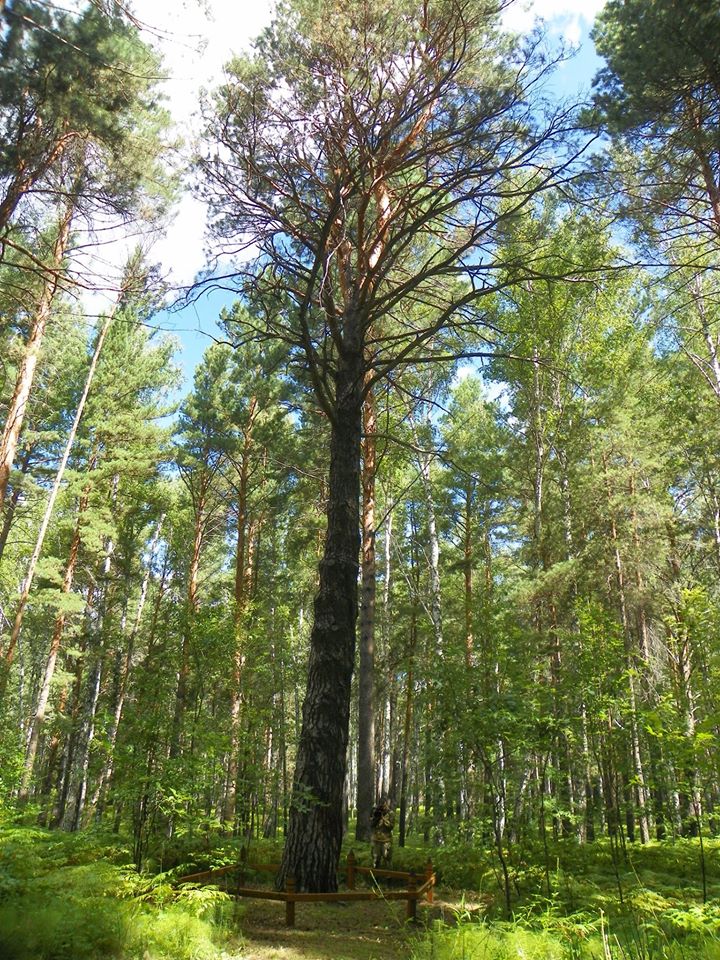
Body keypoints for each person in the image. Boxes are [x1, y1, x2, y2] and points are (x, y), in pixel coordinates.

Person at [370, 798, 395, 869]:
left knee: (387, 860)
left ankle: (389, 878)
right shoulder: (375, 812)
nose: (382, 808)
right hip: (376, 840)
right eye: (381, 805)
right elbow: (371, 825)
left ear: (387, 805)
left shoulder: (390, 813)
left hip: (386, 841)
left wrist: (383, 819)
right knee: (375, 860)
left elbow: (391, 826)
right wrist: (376, 817)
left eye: (384, 806)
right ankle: (376, 877)